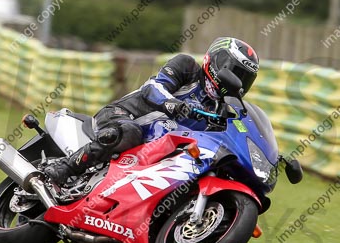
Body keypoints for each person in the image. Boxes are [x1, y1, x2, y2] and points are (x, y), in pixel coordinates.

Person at [42, 37, 260, 185]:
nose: (236, 81)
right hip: (122, 116)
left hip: (153, 152)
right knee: (130, 131)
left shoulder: (219, 110)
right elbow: (152, 87)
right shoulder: (187, 67)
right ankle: (66, 168)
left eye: (244, 78)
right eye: (234, 72)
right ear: (216, 62)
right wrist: (172, 104)